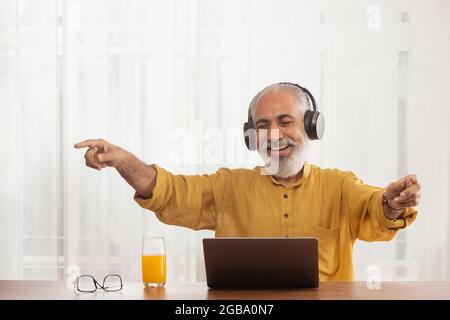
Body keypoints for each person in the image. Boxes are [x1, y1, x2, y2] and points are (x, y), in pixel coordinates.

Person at [74, 82, 420, 281]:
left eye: (285, 121)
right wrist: (123, 160)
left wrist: (390, 204)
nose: (274, 134)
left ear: (312, 126)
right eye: (263, 125)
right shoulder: (228, 186)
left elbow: (375, 212)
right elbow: (168, 192)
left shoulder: (340, 185)